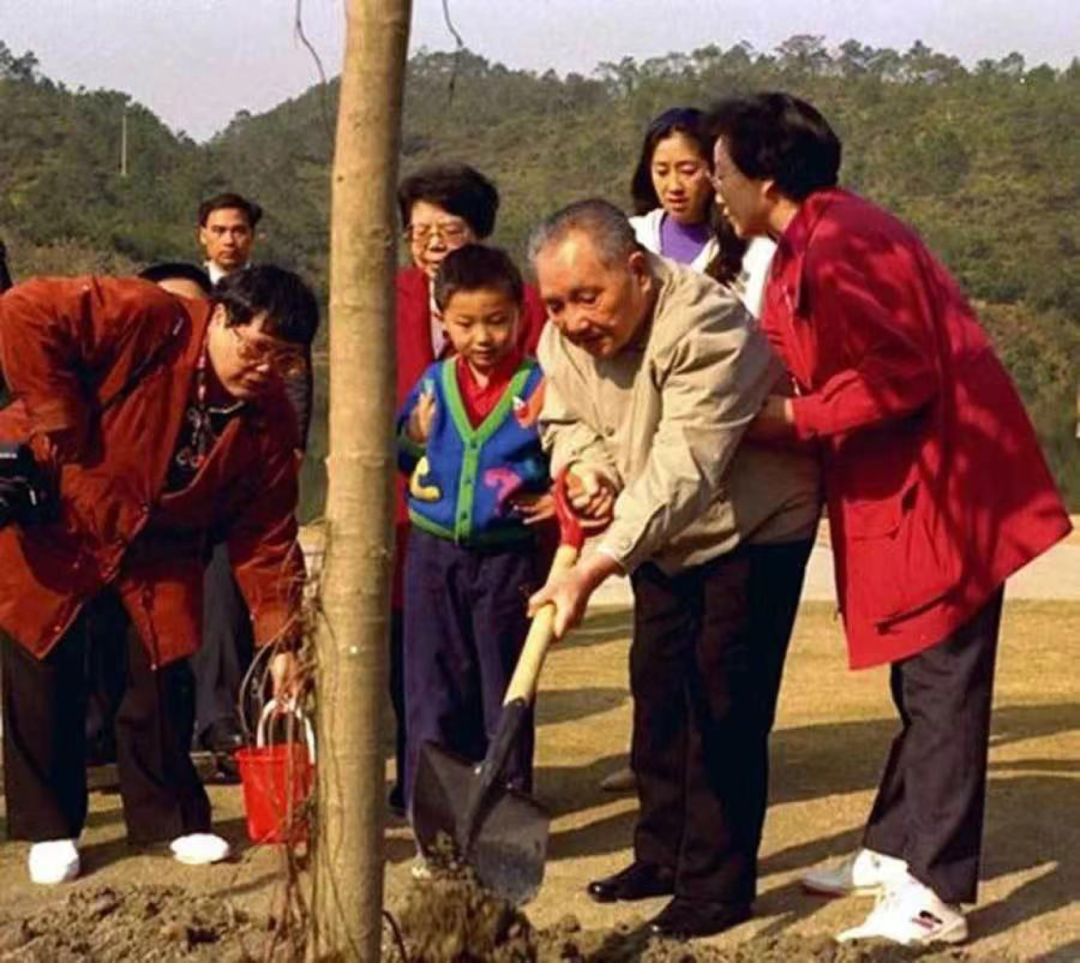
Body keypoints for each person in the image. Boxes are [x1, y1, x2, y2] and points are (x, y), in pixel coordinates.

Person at [706, 92, 1072, 946]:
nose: (716, 187)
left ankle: (936, 891)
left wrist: (789, 421)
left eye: (722, 169)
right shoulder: (809, 244)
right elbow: (783, 351)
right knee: (922, 679)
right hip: (904, 493)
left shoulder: (845, 242)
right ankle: (893, 847)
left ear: (766, 174)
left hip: (944, 492)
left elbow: (899, 373)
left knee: (944, 683)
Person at [527, 199, 821, 939]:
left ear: (637, 270)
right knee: (658, 691)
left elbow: (683, 468)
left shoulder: (706, 325)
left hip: (750, 528)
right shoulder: (561, 338)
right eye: (556, 302)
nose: (571, 318)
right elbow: (568, 422)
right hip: (656, 537)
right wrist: (587, 474)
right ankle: (659, 853)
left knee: (723, 703)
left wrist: (593, 565)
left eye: (586, 298)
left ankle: (716, 888)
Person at [0, 265, 317, 884]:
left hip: (162, 543)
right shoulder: (153, 319)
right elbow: (24, 308)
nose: (264, 370)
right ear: (222, 316)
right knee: (43, 670)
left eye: (282, 361)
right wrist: (58, 411)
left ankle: (169, 817)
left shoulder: (270, 418)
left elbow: (267, 534)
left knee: (162, 674)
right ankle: (52, 825)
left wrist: (282, 638)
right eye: (256, 349)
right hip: (63, 512)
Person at [390, 164, 547, 813]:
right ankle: (435, 807)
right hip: (432, 553)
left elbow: (569, 450)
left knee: (503, 681)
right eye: (465, 325)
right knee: (432, 681)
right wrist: (412, 440)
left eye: (497, 323)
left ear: (519, 315)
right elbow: (403, 447)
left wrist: (558, 500)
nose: (483, 337)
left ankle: (503, 802)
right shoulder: (433, 382)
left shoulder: (539, 382)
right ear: (443, 319)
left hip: (508, 554)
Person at [629, 106, 775, 317]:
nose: (674, 186)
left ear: (715, 170)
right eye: (661, 171)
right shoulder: (631, 236)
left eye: (688, 171)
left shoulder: (755, 250)